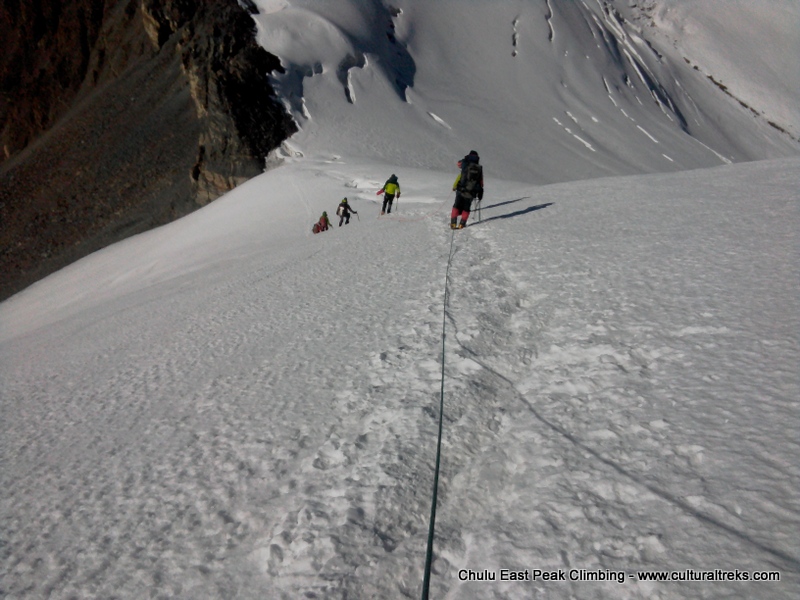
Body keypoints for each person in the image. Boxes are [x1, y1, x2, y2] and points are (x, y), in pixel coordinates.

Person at [451, 150, 483, 229]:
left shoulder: (465, 163)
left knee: (456, 205)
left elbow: (458, 164)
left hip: (461, 189)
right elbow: (480, 181)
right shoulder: (479, 167)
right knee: (467, 208)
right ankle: (462, 224)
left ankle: (453, 223)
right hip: (471, 192)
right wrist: (480, 192)